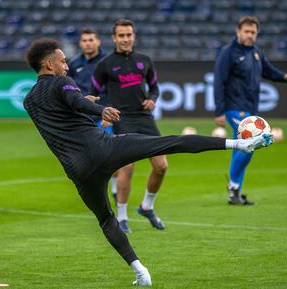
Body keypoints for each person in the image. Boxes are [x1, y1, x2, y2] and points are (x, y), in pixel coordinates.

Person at [23, 38, 273, 286]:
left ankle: (141, 272)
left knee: (106, 220)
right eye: (62, 61)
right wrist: (99, 110)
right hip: (103, 149)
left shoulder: (29, 101)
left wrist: (84, 103)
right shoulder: (63, 82)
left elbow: (63, 110)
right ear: (48, 63)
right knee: (170, 143)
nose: (66, 66)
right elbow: (71, 99)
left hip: (79, 171)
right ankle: (241, 143)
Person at [90, 19, 166, 233]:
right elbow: (93, 94)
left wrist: (152, 99)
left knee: (161, 166)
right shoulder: (104, 64)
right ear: (114, 38)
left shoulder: (145, 60)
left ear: (133, 36)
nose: (125, 39)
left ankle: (147, 206)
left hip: (145, 118)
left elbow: (155, 87)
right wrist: (101, 114)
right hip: (121, 119)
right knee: (127, 167)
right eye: (121, 35)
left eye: (128, 35)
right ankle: (122, 218)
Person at [214, 16, 287, 205]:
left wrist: (285, 77)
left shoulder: (256, 52)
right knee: (251, 142)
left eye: (253, 32)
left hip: (250, 109)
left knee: (241, 148)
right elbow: (219, 81)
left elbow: (268, 71)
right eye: (247, 31)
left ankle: (235, 192)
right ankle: (233, 188)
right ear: (238, 32)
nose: (250, 35)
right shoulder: (228, 53)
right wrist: (219, 111)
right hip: (233, 108)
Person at [68, 28, 118, 200]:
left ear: (98, 42)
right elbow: (71, 90)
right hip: (82, 118)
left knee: (109, 156)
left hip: (103, 116)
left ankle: (114, 186)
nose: (88, 43)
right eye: (84, 40)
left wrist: (109, 115)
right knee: (87, 158)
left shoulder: (107, 62)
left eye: (91, 40)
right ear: (80, 43)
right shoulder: (74, 64)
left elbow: (114, 88)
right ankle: (97, 189)